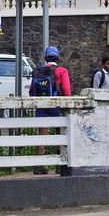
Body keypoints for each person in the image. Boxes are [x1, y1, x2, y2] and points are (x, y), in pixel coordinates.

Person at [29, 46, 71, 175]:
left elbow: (31, 91)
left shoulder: (38, 71)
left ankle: (39, 166)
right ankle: (59, 165)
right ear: (58, 57)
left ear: (45, 58)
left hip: (41, 105)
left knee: (42, 133)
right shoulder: (62, 71)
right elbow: (66, 90)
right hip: (56, 105)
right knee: (59, 133)